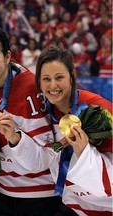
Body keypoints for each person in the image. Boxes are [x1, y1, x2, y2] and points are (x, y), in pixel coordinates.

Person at [0, 28, 61, 216]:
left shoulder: (30, 89)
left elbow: (44, 159)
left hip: (36, 198)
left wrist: (15, 138)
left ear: (8, 56)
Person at [15, 44, 112, 215]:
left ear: (72, 76)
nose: (53, 86)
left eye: (59, 77)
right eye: (46, 79)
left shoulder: (96, 108)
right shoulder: (47, 111)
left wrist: (84, 152)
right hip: (73, 205)